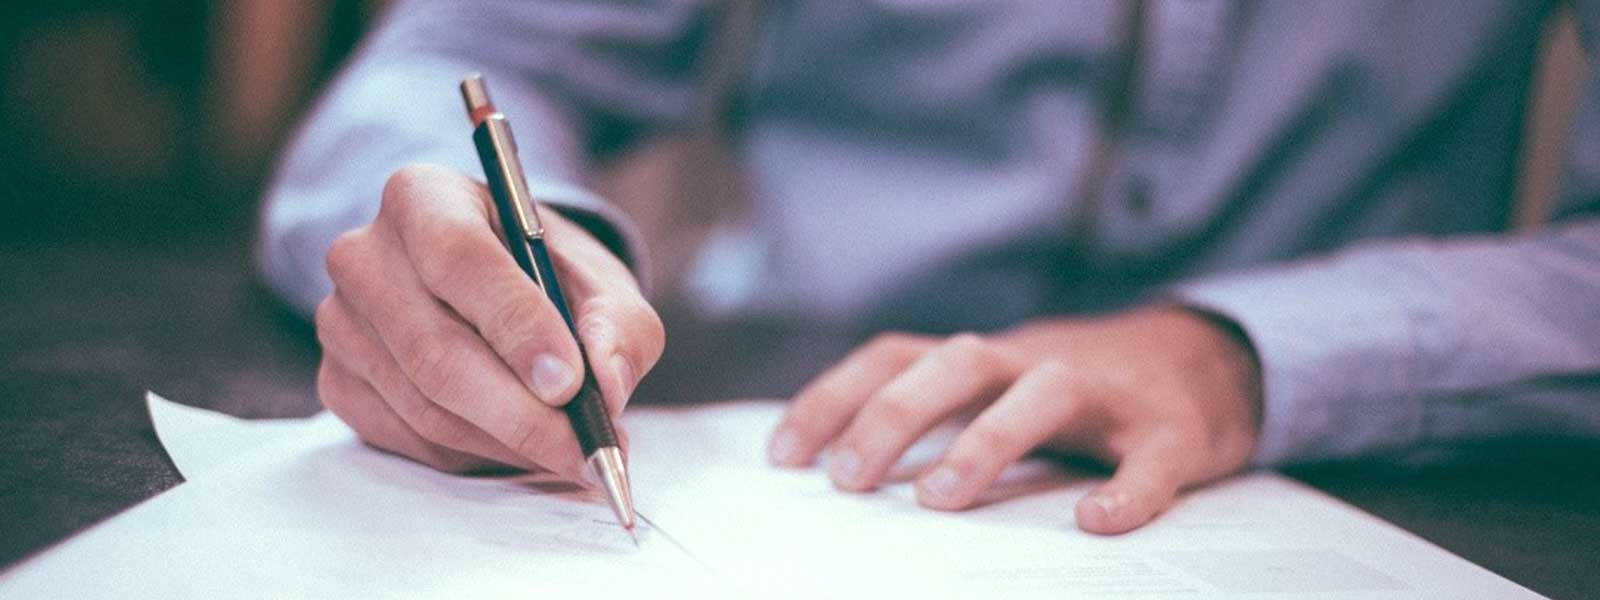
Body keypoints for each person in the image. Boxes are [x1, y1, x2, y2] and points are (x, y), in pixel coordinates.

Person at [258, 1, 1600, 535]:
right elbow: (472, 52)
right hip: (780, 418)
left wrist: (1243, 350)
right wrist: (518, 249)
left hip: (1358, 472)